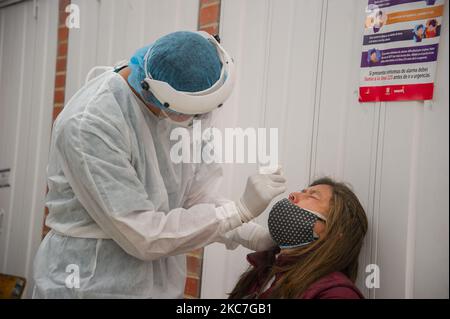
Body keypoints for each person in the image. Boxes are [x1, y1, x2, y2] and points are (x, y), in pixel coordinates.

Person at [32, 31, 286, 298]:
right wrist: (239, 211)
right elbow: (142, 234)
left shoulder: (181, 110)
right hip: (91, 282)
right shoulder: (90, 125)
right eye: (195, 112)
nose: (202, 119)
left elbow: (195, 199)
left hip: (158, 283)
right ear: (163, 99)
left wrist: (251, 234)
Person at [229, 177, 368, 299]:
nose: (293, 195)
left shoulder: (337, 293)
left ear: (337, 230)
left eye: (313, 196)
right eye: (302, 191)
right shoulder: (262, 273)